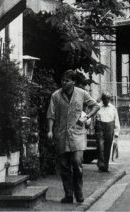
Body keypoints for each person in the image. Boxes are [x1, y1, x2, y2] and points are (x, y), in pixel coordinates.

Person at [47, 70, 100, 204]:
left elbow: (95, 106)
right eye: (63, 80)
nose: (64, 83)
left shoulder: (82, 93)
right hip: (61, 134)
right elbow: (51, 115)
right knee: (64, 167)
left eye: (67, 80)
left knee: (77, 164)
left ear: (73, 82)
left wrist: (87, 116)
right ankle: (68, 195)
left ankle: (79, 192)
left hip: (78, 134)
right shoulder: (55, 96)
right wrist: (50, 131)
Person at [95, 91, 120, 172]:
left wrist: (116, 133)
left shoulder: (113, 108)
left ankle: (105, 166)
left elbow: (116, 121)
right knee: (100, 146)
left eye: (108, 99)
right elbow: (93, 118)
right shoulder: (98, 107)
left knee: (107, 147)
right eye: (105, 99)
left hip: (110, 128)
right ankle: (101, 163)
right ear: (102, 99)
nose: (107, 100)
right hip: (100, 128)